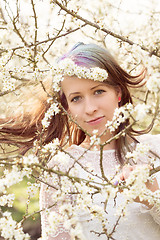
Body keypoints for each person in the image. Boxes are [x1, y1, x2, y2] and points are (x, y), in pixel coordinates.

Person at [0, 42, 160, 240]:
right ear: (66, 108)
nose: (90, 108)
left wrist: (153, 199)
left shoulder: (155, 150)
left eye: (98, 91)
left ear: (118, 93)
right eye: (76, 98)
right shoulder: (61, 170)